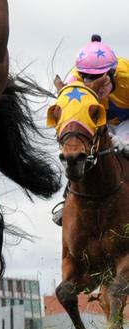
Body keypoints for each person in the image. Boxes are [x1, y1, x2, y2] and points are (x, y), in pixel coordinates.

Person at [52, 34, 129, 225]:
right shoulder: (74, 82)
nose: (94, 84)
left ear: (113, 73)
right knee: (83, 150)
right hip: (101, 122)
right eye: (87, 78)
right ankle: (67, 197)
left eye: (99, 78)